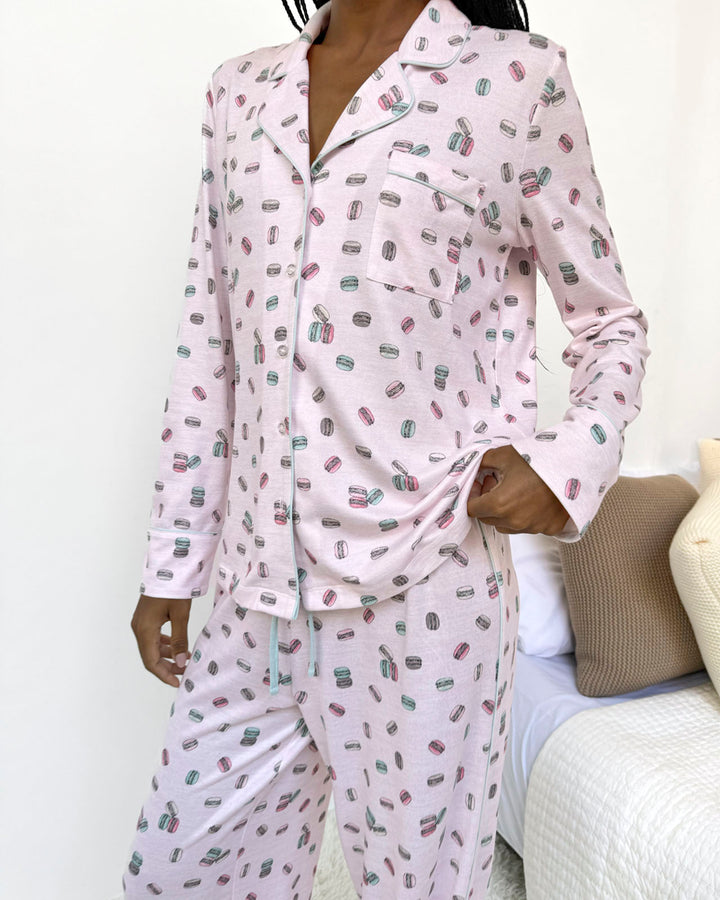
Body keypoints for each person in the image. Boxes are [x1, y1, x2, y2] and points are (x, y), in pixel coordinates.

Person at [122, 0, 650, 896]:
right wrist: (174, 560)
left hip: (425, 588)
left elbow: (610, 320)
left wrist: (566, 465)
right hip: (254, 590)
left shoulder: (517, 79)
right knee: (179, 877)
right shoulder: (240, 92)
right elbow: (211, 343)